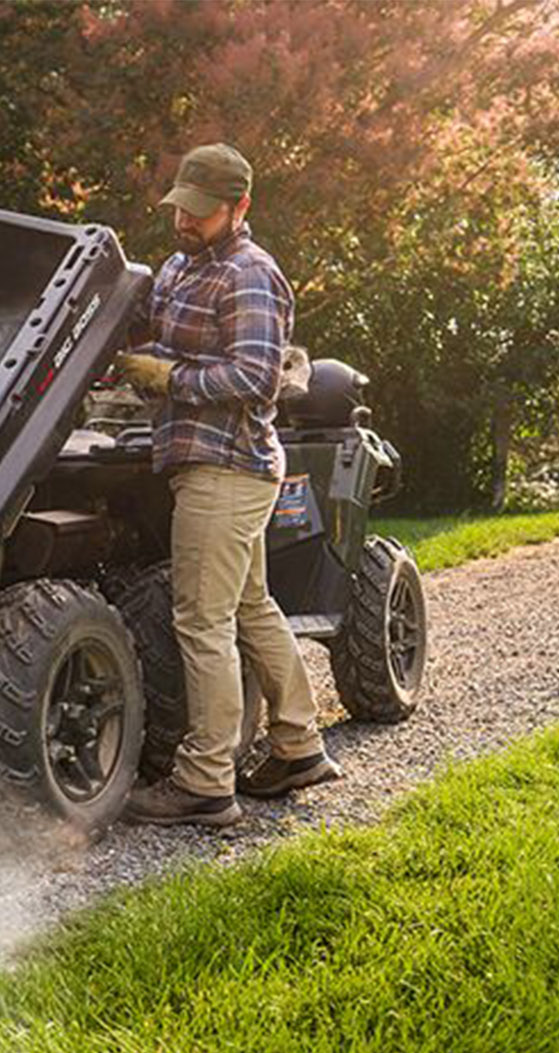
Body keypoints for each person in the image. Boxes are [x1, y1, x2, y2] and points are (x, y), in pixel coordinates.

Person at [115, 143, 344, 828]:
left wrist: (170, 379)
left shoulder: (251, 275)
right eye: (180, 207)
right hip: (204, 462)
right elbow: (150, 328)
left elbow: (255, 377)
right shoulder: (179, 267)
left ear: (238, 207)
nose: (184, 222)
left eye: (200, 212)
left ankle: (206, 781)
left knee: (201, 620)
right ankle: (299, 745)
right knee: (250, 608)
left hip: (228, 466)